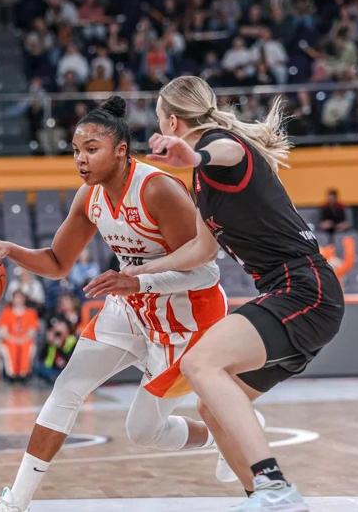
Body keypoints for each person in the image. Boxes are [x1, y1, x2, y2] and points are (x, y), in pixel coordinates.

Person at [0, 96, 226, 512]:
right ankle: (15, 503)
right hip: (131, 309)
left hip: (187, 318)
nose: (80, 159)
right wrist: (9, 250)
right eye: (76, 151)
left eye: (91, 149)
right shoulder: (89, 198)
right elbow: (56, 262)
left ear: (121, 150)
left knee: (143, 431)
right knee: (67, 388)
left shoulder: (157, 190)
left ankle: (226, 435)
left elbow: (206, 270)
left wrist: (137, 281)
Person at [126, 75, 344, 511]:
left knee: (200, 363)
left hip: (305, 289)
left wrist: (195, 154)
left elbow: (227, 150)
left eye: (160, 118)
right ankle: (263, 498)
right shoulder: (202, 182)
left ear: (172, 122)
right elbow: (202, 250)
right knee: (212, 407)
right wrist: (141, 272)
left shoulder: (221, 149)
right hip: (290, 294)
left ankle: (275, 485)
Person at [34, 293, 80, 384]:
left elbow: (69, 358)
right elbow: (44, 357)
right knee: (39, 368)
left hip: (66, 366)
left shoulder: (71, 340)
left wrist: (61, 345)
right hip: (51, 367)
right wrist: (51, 339)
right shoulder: (57, 317)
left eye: (66, 301)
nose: (64, 303)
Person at [0, 291, 40, 382]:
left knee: (27, 345)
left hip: (25, 339)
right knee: (9, 346)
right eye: (16, 298)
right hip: (10, 339)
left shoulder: (31, 313)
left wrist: (22, 339)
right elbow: (3, 332)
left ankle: (24, 374)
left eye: (20, 298)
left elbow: (32, 331)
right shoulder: (6, 312)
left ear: (24, 299)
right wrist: (14, 339)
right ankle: (11, 375)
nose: (18, 300)